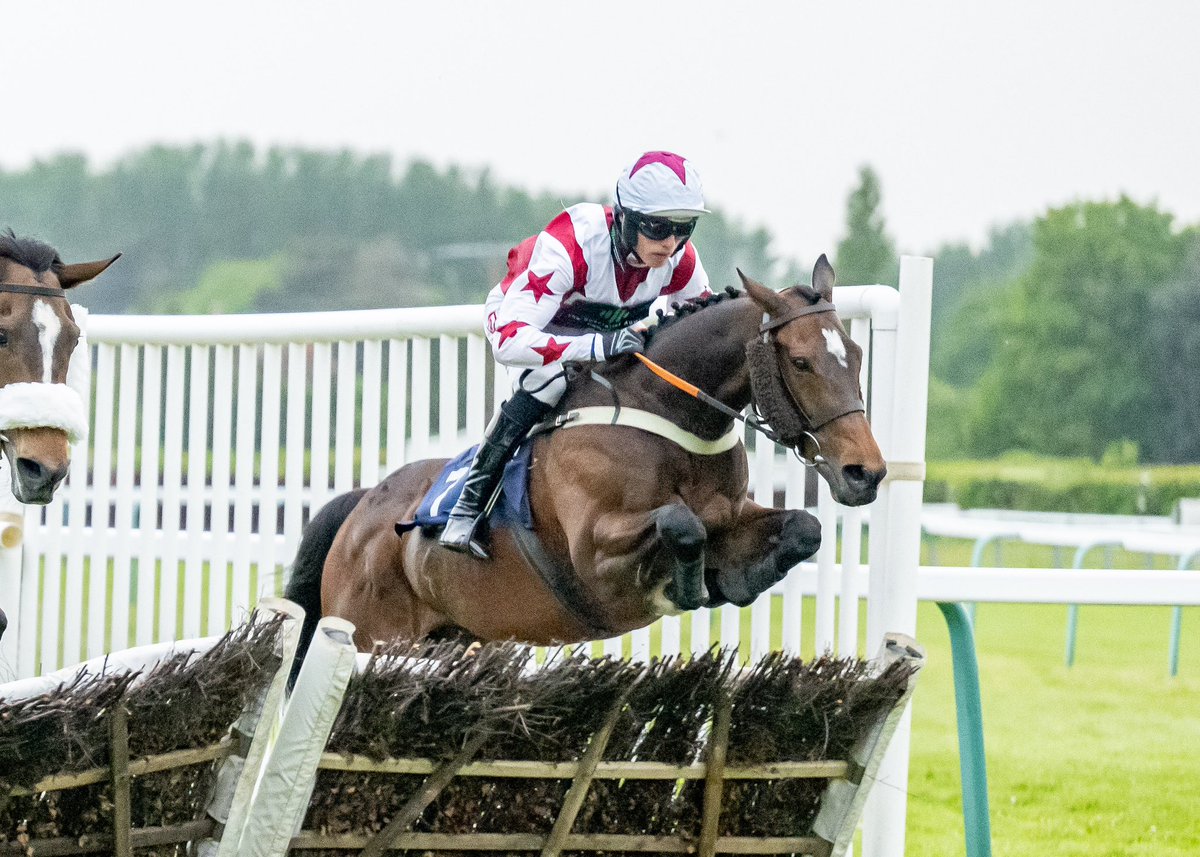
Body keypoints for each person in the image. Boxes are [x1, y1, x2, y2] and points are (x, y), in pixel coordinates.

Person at [439, 150, 714, 559]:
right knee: (547, 382)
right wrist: (596, 345)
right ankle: (469, 503)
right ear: (626, 217)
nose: (671, 243)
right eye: (657, 227)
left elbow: (702, 326)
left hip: (608, 331)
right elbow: (509, 342)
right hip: (531, 323)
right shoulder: (571, 245)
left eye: (683, 228)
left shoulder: (679, 261)